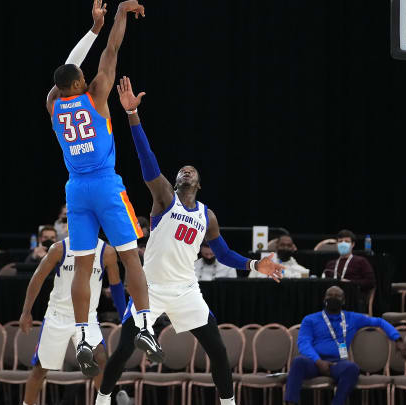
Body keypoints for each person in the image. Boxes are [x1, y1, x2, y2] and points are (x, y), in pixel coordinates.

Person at [93, 76, 285, 405]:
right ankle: (101, 401)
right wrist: (132, 115)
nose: (185, 171)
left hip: (185, 290)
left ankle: (228, 404)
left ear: (199, 183)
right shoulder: (166, 199)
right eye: (182, 170)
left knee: (218, 350)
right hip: (149, 288)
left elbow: (222, 253)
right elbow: (147, 160)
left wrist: (255, 263)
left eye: (191, 170)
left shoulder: (207, 216)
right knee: (124, 348)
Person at [44, 0, 160, 375]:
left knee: (81, 268)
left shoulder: (52, 103)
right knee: (130, 256)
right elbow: (111, 51)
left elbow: (68, 67)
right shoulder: (95, 95)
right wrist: (119, 16)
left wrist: (92, 29)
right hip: (106, 186)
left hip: (75, 191)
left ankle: (82, 335)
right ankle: (144, 324)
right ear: (79, 82)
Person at [18, 236, 126, 404]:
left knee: (100, 358)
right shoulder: (60, 248)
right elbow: (37, 277)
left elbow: (116, 285)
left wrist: (123, 315)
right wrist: (26, 311)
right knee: (41, 368)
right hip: (58, 315)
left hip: (88, 316)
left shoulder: (107, 252)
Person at [285, 286, 406, 405]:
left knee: (352, 368)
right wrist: (318, 361)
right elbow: (303, 343)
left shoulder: (352, 318)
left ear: (343, 301)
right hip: (314, 362)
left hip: (336, 364)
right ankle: (291, 402)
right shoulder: (310, 319)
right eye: (330, 295)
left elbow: (380, 322)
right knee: (298, 362)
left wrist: (398, 339)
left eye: (337, 296)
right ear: (324, 299)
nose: (333, 298)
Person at [323, 230, 376, 311]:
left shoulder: (361, 261)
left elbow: (370, 282)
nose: (343, 243)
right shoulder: (331, 264)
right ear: (337, 244)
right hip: (331, 299)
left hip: (352, 299)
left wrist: (350, 283)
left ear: (353, 244)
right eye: (340, 241)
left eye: (347, 241)